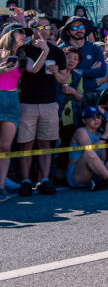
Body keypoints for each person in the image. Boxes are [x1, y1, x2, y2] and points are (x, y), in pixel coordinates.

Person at [16, 16, 68, 196]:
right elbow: (33, 70)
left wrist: (57, 74)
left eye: (47, 27)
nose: (45, 30)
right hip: (27, 103)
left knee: (45, 143)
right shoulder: (24, 50)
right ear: (32, 30)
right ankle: (25, 181)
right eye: (40, 27)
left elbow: (64, 78)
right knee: (26, 144)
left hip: (49, 103)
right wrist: (44, 51)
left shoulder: (57, 51)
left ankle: (44, 180)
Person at [66, 106, 108, 191]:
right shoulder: (81, 131)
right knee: (89, 152)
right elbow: (91, 151)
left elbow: (103, 159)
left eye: (98, 117)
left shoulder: (100, 135)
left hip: (95, 173)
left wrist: (105, 135)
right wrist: (106, 134)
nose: (96, 120)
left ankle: (106, 181)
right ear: (84, 120)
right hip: (77, 175)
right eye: (92, 117)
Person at [0, 25, 30, 201]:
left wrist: (45, 50)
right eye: (20, 32)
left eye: (25, 34)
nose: (24, 36)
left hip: (12, 100)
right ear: (10, 34)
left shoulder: (22, 57)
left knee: (5, 147)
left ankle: (1, 186)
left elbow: (35, 69)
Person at [59, 17, 107, 103]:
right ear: (68, 32)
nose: (79, 30)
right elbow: (61, 73)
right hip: (67, 94)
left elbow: (102, 71)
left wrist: (77, 71)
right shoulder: (61, 49)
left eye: (81, 27)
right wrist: (90, 71)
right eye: (74, 28)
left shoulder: (95, 48)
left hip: (90, 93)